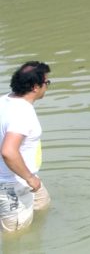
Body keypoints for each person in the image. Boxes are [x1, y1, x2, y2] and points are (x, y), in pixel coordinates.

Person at [1, 61, 52, 232]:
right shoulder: (22, 114)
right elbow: (8, 151)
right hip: (13, 184)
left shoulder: (4, 101)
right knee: (16, 236)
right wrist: (30, 178)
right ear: (36, 87)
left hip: (25, 179)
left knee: (42, 205)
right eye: (47, 83)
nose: (47, 86)